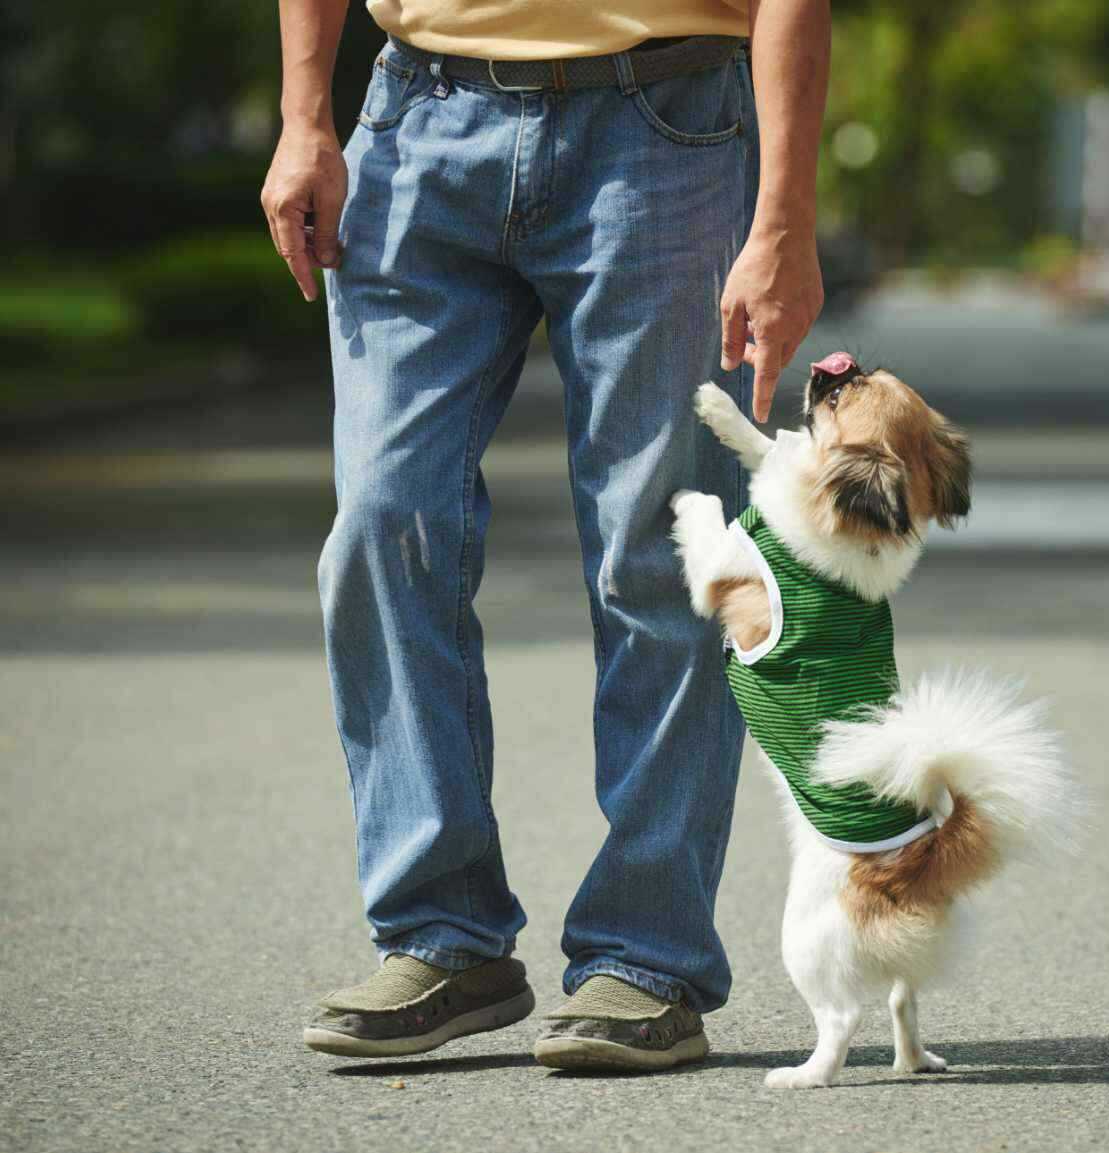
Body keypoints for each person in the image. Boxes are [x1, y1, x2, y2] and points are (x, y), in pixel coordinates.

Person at [260, 0, 828, 1071]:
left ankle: (647, 956)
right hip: (418, 118)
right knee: (382, 522)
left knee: (659, 552)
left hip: (663, 126)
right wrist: (304, 119)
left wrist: (784, 222)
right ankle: (443, 935)